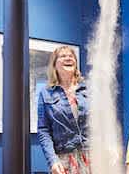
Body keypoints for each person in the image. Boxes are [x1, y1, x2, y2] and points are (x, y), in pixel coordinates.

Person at [37, 46, 90, 174]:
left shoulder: (89, 90)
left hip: (91, 156)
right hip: (64, 160)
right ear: (54, 65)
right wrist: (52, 160)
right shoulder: (46, 94)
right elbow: (44, 131)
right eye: (63, 56)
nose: (68, 58)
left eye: (71, 56)